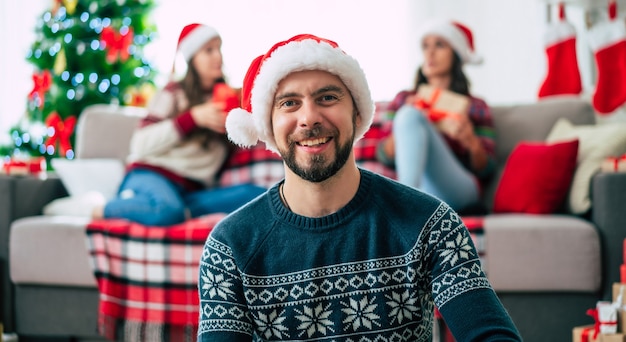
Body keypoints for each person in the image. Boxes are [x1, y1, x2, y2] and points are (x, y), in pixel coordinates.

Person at [197, 33, 521, 341]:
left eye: (327, 97)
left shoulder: (433, 223)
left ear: (357, 114)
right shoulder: (228, 247)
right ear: (267, 124)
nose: (309, 118)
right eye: (289, 103)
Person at [90, 23, 266, 226]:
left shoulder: (230, 99)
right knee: (167, 210)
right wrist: (192, 119)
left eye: (219, 49)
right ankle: (95, 209)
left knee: (258, 197)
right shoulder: (173, 93)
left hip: (192, 191)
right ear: (192, 59)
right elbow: (139, 145)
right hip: (151, 174)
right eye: (208, 50)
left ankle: (172, 210)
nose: (217, 56)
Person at [376, 19, 496, 214]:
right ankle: (410, 203)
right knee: (409, 116)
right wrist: (407, 125)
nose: (429, 53)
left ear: (456, 54)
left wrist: (470, 141)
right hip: (421, 186)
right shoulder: (405, 99)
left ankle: (404, 210)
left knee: (409, 116)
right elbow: (384, 156)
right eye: (425, 46)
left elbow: (487, 170)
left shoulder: (476, 107)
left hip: (461, 190)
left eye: (439, 45)